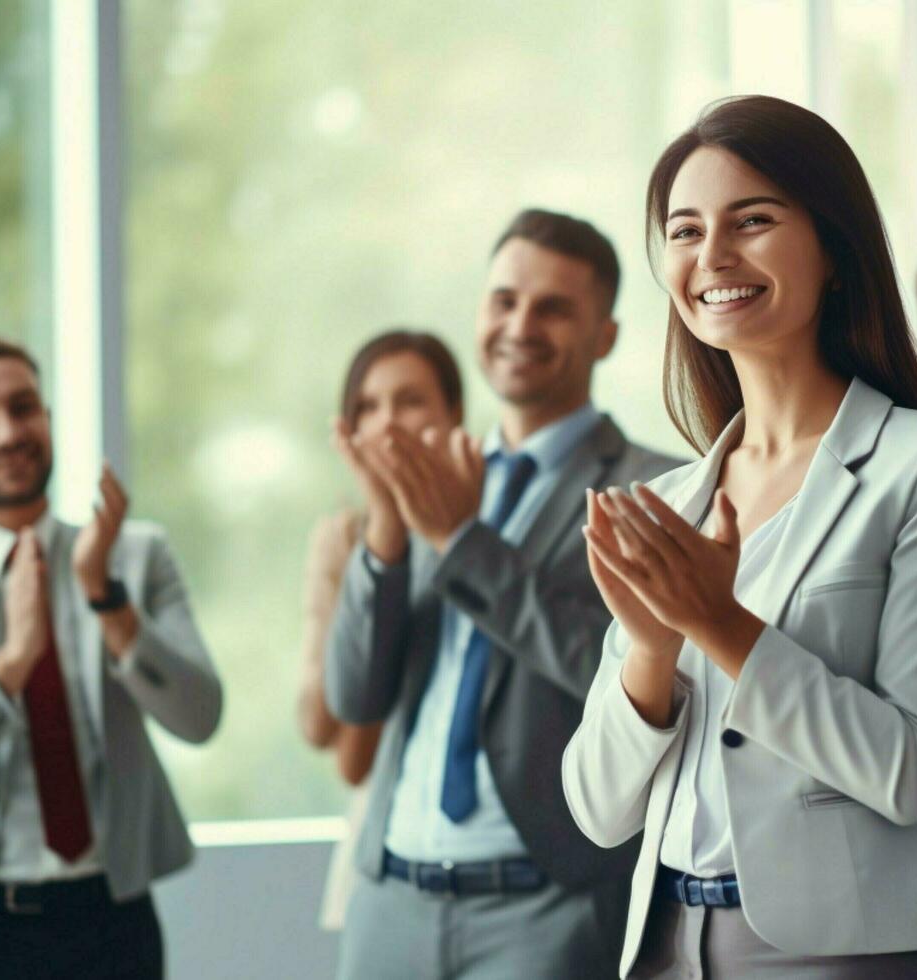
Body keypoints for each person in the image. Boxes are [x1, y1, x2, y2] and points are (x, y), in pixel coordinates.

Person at [562, 94, 917, 980]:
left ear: (834, 249)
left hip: (848, 954)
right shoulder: (669, 500)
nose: (712, 257)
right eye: (685, 231)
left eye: (753, 221)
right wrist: (651, 652)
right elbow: (597, 806)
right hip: (668, 946)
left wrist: (720, 624)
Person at [324, 208, 683, 979]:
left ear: (606, 336)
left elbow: (617, 672)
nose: (520, 325)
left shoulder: (653, 488)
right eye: (504, 300)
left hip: (546, 911)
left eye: (553, 308)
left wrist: (464, 545)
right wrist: (388, 533)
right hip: (389, 894)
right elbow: (354, 697)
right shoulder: (430, 474)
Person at [0, 337, 223, 980]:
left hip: (108, 924)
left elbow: (199, 716)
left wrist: (107, 599)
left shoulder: (136, 556)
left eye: (24, 408)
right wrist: (9, 667)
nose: (8, 430)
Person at [297, 329, 465, 930]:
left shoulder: (485, 527)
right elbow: (331, 736)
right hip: (381, 833)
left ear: (455, 414)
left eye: (411, 400)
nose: (388, 423)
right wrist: (378, 546)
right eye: (368, 406)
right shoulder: (344, 538)